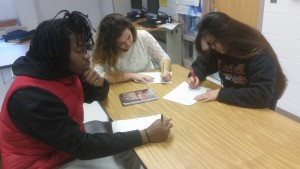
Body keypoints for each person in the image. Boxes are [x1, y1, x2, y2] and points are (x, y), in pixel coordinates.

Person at [0, 10, 173, 169]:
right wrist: (146, 135)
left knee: (125, 141)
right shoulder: (31, 98)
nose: (87, 55)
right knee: (130, 151)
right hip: (38, 162)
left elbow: (93, 96)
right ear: (57, 54)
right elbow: (83, 147)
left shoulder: (61, 71)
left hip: (62, 145)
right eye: (80, 50)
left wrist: (99, 84)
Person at [187, 12, 287, 110]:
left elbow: (261, 95)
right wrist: (195, 76)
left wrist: (220, 94)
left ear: (225, 35)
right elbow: (202, 64)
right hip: (233, 102)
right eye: (209, 44)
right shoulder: (219, 48)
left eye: (213, 43)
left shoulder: (259, 53)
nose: (212, 47)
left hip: (259, 107)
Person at [92, 13, 172, 84]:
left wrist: (166, 71)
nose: (128, 44)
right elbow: (98, 75)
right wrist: (130, 76)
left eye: (129, 37)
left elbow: (163, 58)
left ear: (131, 29)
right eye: (121, 43)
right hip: (120, 87)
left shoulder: (143, 36)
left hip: (148, 83)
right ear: (111, 44)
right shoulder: (104, 49)